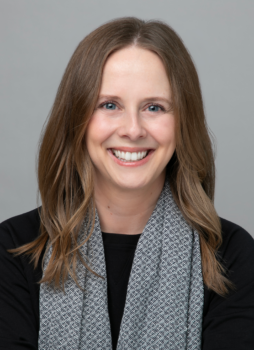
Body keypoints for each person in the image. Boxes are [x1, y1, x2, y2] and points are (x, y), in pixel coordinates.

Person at [0, 17, 254, 350]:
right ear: (76, 119)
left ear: (183, 123)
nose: (133, 130)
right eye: (109, 105)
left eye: (154, 107)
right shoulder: (12, 250)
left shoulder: (233, 256)